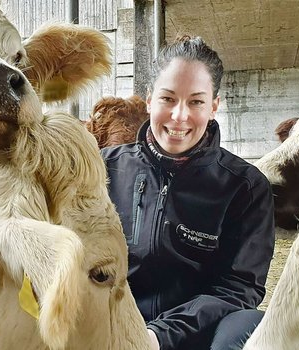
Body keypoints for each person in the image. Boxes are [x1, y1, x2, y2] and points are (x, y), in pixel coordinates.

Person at [101, 35, 275, 350]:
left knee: (250, 325)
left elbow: (239, 288)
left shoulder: (245, 187)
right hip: (110, 330)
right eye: (168, 98)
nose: (179, 116)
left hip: (196, 337)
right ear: (149, 100)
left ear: (213, 107)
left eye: (195, 101)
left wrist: (157, 336)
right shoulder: (104, 169)